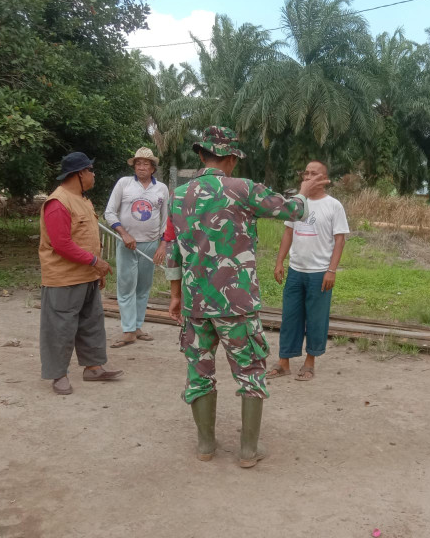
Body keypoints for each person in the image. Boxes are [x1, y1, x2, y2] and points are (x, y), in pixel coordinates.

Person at [166, 126, 328, 468]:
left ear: (201, 155)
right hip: (235, 303)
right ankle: (247, 451)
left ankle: (206, 445)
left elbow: (173, 250)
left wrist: (175, 294)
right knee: (250, 371)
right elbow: (292, 210)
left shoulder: (178, 195)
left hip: (196, 303)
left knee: (199, 372)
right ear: (229, 158)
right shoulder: (241, 188)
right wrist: (303, 191)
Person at [38, 152, 124, 395]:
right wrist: (96, 261)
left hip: (87, 275)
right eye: (91, 171)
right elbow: (61, 244)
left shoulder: (82, 200)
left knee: (91, 323)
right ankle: (58, 375)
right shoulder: (58, 203)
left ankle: (93, 367)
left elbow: (85, 238)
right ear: (79, 174)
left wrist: (96, 270)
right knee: (60, 327)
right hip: (64, 278)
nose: (93, 175)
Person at [268, 161, 349, 381]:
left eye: (314, 174)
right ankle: (284, 362)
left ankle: (309, 362)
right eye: (306, 173)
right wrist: (279, 262)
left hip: (319, 273)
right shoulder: (297, 204)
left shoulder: (334, 206)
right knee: (290, 317)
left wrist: (331, 270)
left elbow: (339, 240)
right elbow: (287, 234)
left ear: (324, 179)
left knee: (316, 319)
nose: (308, 177)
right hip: (296, 271)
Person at [104, 147, 169, 348]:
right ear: (134, 166)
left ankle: (138, 326)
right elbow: (110, 213)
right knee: (125, 287)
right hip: (127, 244)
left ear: (153, 168)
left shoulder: (162, 189)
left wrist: (163, 245)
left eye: (146, 164)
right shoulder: (124, 184)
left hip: (150, 244)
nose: (141, 167)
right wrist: (124, 234)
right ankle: (128, 330)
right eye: (138, 163)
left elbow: (167, 220)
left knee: (143, 287)